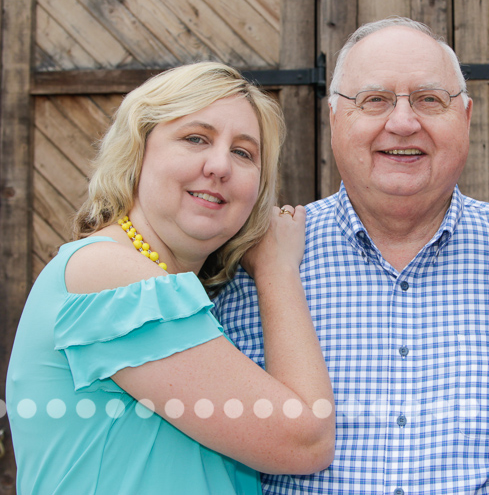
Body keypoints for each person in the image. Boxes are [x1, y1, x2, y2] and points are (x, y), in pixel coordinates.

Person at [214, 17, 489, 494]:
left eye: (430, 100)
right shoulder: (253, 257)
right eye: (375, 100)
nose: (404, 122)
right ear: (333, 119)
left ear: (466, 118)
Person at [6, 62, 335, 494]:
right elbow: (304, 439)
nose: (220, 166)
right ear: (138, 151)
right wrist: (276, 270)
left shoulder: (178, 294)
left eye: (243, 152)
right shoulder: (109, 275)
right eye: (195, 138)